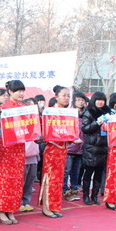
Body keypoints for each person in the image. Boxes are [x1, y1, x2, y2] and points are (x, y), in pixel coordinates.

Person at [0, 80, 27, 225]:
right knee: (5, 178)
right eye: (18, 91)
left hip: (19, 147)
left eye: (22, 91)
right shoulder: (3, 108)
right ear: (10, 92)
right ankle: (1, 209)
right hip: (7, 148)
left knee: (17, 179)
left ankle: (11, 209)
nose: (21, 93)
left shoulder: (24, 108)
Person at [40, 85, 72, 218]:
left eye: (68, 95)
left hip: (63, 150)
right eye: (64, 95)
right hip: (52, 150)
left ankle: (55, 206)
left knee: (59, 180)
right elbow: (43, 132)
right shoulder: (49, 112)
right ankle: (46, 207)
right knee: (49, 178)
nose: (66, 98)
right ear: (56, 97)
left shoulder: (69, 113)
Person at [81, 92, 110, 205]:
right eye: (98, 100)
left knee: (98, 174)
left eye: (102, 100)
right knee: (88, 173)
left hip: (103, 147)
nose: (100, 102)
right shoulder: (89, 112)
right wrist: (97, 122)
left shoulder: (108, 112)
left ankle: (95, 195)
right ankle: (85, 195)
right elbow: (85, 129)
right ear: (94, 100)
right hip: (91, 147)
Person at [64, 92, 88, 201]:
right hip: (70, 147)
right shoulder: (69, 113)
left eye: (82, 100)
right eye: (78, 100)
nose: (80, 102)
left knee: (76, 171)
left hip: (80, 148)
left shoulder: (86, 114)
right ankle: (65, 190)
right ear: (74, 101)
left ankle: (74, 189)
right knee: (66, 171)